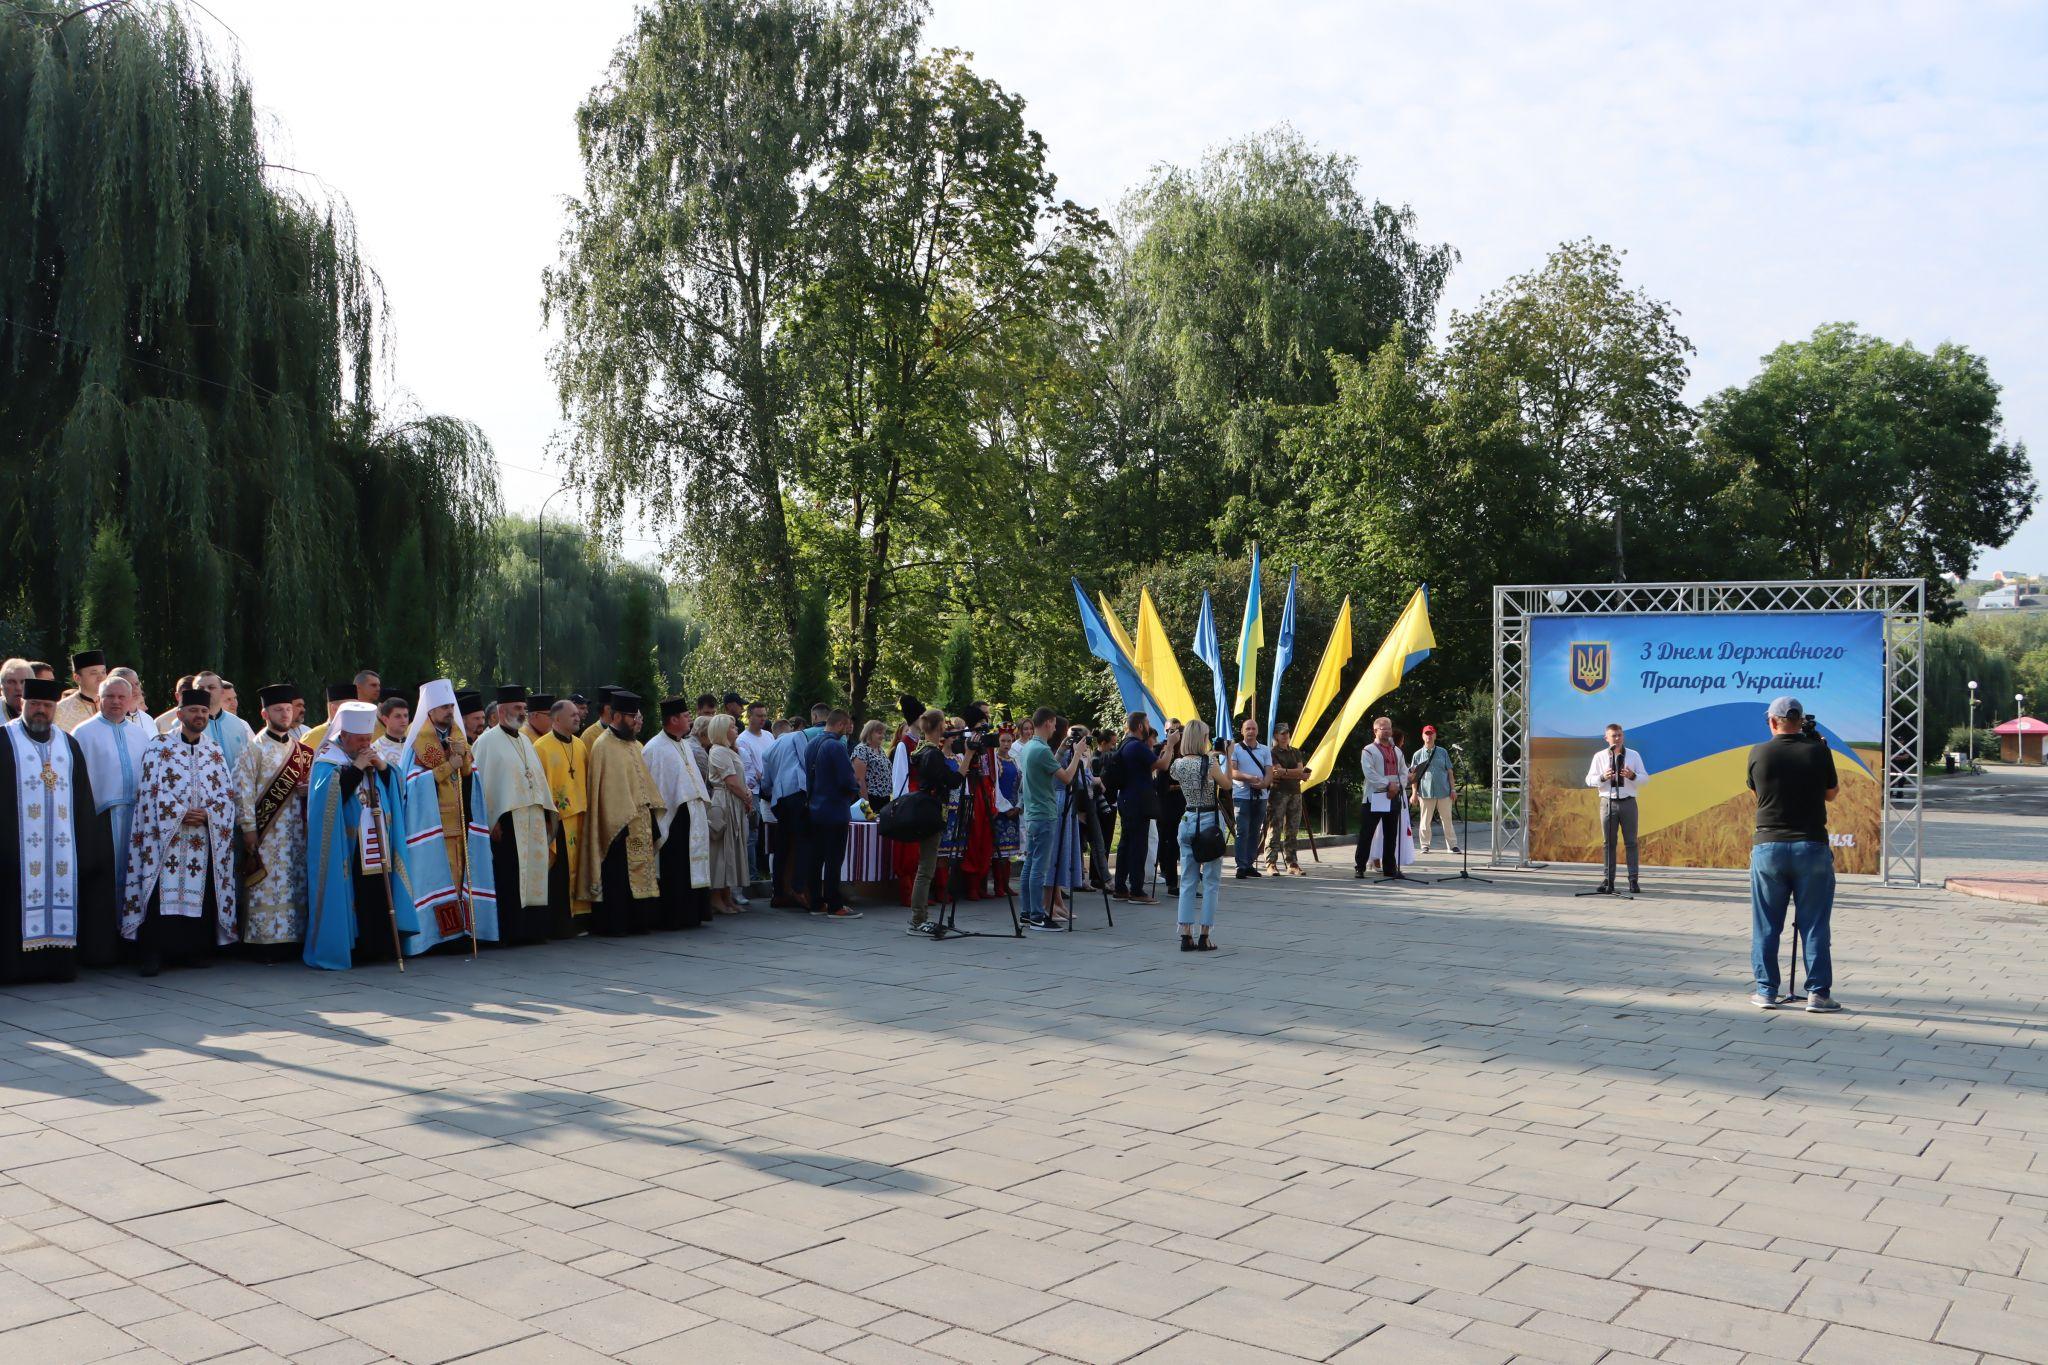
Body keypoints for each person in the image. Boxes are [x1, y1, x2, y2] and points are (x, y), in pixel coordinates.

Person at [1, 677, 119, 982]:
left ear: (55, 708)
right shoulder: (4, 740)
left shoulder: (68, 744)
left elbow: (83, 799)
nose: (41, 711)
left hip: (61, 851)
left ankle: (58, 966)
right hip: (14, 849)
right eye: (35, 704)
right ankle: (13, 970)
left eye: (47, 706)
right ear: (23, 705)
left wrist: (88, 848)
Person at [124, 686, 239, 976]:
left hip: (202, 836)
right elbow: (149, 791)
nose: (199, 716)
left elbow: (225, 793)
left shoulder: (213, 750)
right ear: (180, 714)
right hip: (167, 838)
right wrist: (178, 813)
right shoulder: (159, 745)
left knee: (200, 893)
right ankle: (153, 954)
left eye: (203, 711)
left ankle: (193, 951)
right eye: (193, 711)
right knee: (160, 893)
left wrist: (209, 814)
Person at [1748, 697, 1841, 1011]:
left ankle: (1765, 991)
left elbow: (1756, 792)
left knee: (1766, 924)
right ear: (1801, 720)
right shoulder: (1818, 751)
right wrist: (1818, 748)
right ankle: (1818, 994)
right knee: (1814, 924)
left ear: (1772, 722)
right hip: (1811, 845)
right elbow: (1831, 794)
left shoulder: (1758, 752)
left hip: (1768, 846)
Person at [303, 701, 412, 969]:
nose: (365, 744)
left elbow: (395, 784)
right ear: (345, 736)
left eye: (368, 738)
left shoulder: (369, 753)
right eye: (360, 740)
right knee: (357, 895)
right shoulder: (328, 759)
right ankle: (356, 946)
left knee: (379, 891)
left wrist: (383, 767)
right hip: (348, 844)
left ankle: (382, 945)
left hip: (377, 839)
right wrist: (356, 768)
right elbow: (326, 799)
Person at [397, 679, 492, 953]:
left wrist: (463, 764)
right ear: (429, 710)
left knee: (462, 876)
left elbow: (468, 778)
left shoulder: (459, 736)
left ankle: (463, 932)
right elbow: (412, 786)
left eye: (451, 705)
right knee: (438, 878)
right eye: (443, 706)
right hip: (432, 826)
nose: (449, 710)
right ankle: (437, 936)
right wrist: (445, 767)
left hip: (459, 823)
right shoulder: (418, 742)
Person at [473, 686, 567, 944]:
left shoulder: (525, 740)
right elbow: (483, 785)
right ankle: (512, 931)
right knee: (510, 876)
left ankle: (533, 929)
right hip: (507, 822)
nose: (523, 713)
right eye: (518, 708)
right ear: (502, 711)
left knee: (535, 874)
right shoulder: (486, 742)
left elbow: (536, 778)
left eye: (524, 709)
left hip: (533, 817)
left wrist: (548, 813)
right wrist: (489, 821)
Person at [234, 683, 313, 957]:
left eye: (289, 710)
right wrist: (248, 829)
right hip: (265, 833)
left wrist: (307, 792)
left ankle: (293, 940)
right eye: (279, 710)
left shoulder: (302, 751)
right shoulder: (253, 749)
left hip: (296, 832)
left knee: (294, 882)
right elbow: (241, 790)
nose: (285, 714)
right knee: (265, 884)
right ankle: (263, 943)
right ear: (265, 713)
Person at [72, 675, 150, 947]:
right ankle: (102, 945)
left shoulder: (140, 734)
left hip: (136, 817)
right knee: (102, 881)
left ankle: (131, 939)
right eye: (110, 696)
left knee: (134, 876)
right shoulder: (83, 732)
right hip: (100, 819)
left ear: (130, 701)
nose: (116, 702)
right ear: (98, 699)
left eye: (121, 697)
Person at [580, 691, 664, 935]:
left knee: (640, 871)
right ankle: (616, 923)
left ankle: (639, 921)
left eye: (636, 715)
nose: (635, 720)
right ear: (615, 715)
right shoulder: (602, 746)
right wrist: (617, 821)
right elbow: (603, 790)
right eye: (630, 716)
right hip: (617, 824)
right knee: (617, 876)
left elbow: (643, 782)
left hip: (641, 821)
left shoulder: (634, 745)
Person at [1014, 709, 1087, 931]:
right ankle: (1037, 915)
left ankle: (1027, 912)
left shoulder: (1029, 748)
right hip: (1044, 813)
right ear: (1047, 723)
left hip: (1032, 814)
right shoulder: (1041, 749)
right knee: (1039, 867)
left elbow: (1046, 767)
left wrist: (1063, 749)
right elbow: (1065, 778)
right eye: (1054, 725)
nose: (1055, 729)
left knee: (1029, 864)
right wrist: (1077, 754)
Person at [643, 697, 711, 930]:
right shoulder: (654, 748)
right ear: (673, 719)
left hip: (691, 814)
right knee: (675, 868)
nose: (689, 719)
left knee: (690, 866)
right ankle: (673, 915)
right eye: (685, 716)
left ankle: (693, 913)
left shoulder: (683, 743)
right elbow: (656, 786)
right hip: (672, 818)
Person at [528, 697, 591, 927]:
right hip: (557, 820)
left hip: (581, 816)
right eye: (572, 714)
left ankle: (581, 918)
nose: (578, 717)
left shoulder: (580, 745)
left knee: (580, 869)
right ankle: (560, 923)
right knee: (560, 872)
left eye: (577, 713)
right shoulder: (541, 747)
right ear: (557, 718)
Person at [1170, 720, 1228, 951]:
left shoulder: (1178, 765)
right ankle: (1205, 934)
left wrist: (1168, 746)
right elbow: (1227, 784)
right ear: (1201, 738)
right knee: (1211, 880)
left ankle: (1185, 934)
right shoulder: (1210, 762)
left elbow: (1171, 772)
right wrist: (1228, 757)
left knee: (1188, 879)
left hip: (1188, 818)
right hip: (1208, 821)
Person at [805, 709, 861, 920]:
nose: (847, 731)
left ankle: (816, 902)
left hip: (815, 807)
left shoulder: (812, 744)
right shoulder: (836, 746)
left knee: (816, 857)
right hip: (835, 809)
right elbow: (847, 779)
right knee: (834, 858)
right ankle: (835, 905)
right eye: (846, 727)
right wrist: (853, 791)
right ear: (840, 725)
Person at [1585, 722, 1649, 894]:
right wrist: (1602, 778)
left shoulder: (1634, 755)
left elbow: (1645, 778)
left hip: (1628, 802)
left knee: (1631, 842)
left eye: (1620, 735)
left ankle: (1633, 881)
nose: (1618, 738)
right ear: (1606, 738)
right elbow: (1588, 780)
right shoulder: (1599, 757)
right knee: (1608, 843)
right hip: (1608, 802)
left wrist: (1633, 775)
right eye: (1614, 736)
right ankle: (1608, 881)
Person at [762, 712, 815, 907]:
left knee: (781, 845)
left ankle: (778, 892)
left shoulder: (767, 751)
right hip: (797, 792)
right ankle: (799, 887)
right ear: (790, 729)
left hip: (779, 800)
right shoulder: (798, 736)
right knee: (804, 840)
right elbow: (806, 762)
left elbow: (766, 784)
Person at [704, 713, 751, 914]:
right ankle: (716, 897)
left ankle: (726, 896)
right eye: (732, 727)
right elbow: (731, 781)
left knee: (731, 850)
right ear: (722, 731)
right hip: (725, 803)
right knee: (722, 851)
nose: (736, 729)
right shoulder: (718, 751)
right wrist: (747, 797)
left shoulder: (729, 751)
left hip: (735, 802)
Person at [1355, 715, 1410, 881]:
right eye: (1383, 728)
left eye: (1389, 728)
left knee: (1391, 833)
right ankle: (1360, 866)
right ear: (1375, 730)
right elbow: (1369, 773)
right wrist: (1387, 785)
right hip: (1375, 797)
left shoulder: (1397, 751)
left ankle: (1390, 868)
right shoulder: (1368, 750)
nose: (1387, 731)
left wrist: (1397, 786)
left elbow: (1403, 772)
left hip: (1393, 796)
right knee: (1367, 833)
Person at [1111, 712, 1159, 903]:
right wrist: (1171, 745)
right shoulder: (1138, 746)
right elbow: (1161, 764)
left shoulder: (1125, 744)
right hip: (1138, 801)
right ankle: (1137, 890)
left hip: (1125, 798)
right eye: (1147, 723)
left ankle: (1120, 887)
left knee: (1126, 843)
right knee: (1139, 844)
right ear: (1140, 726)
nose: (1148, 726)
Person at [1261, 722, 1311, 876]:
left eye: (1287, 733)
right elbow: (1276, 771)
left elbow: (1300, 771)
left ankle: (1292, 863)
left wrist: (1286, 772)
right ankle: (1271, 862)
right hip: (1278, 794)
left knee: (1292, 830)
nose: (1285, 736)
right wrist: (1295, 773)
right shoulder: (1272, 753)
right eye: (1282, 733)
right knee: (1274, 828)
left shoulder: (1295, 752)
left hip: (1295, 793)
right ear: (1276, 735)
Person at [1229, 718, 1272, 879]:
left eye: (1253, 729)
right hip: (1242, 795)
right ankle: (1241, 866)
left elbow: (1269, 771)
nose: (1251, 732)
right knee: (1242, 831)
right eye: (1247, 729)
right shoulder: (1236, 749)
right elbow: (1232, 772)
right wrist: (1249, 778)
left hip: (1261, 796)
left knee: (1255, 831)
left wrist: (1264, 784)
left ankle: (1249, 864)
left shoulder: (1265, 749)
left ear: (1257, 731)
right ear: (1242, 731)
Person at [1408, 724, 1459, 855]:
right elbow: (1414, 777)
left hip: (1444, 791)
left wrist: (1453, 790)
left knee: (1447, 819)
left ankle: (1452, 845)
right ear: (1422, 736)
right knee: (1425, 820)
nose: (1429, 736)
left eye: (1431, 733)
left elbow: (1450, 772)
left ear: (1435, 735)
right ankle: (1425, 845)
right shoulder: (1417, 754)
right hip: (1425, 792)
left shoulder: (1443, 752)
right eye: (1426, 733)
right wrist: (1414, 793)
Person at [192, 670, 253, 775]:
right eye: (200, 688)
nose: (206, 691)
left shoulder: (238, 724)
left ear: (221, 691)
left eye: (211, 687)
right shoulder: (184, 725)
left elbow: (249, 763)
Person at [1153, 723, 1185, 896]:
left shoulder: (1187, 752)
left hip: (1182, 802)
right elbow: (1161, 777)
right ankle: (1171, 880)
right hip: (1166, 803)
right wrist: (1170, 747)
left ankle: (1183, 880)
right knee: (1170, 841)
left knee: (1181, 842)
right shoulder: (1162, 748)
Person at [53, 649, 107, 732]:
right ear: (77, 678)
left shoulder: (111, 705)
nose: (101, 677)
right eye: (94, 673)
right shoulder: (60, 710)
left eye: (103, 672)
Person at [301, 682, 356, 751]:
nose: (357, 712)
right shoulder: (312, 738)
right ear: (334, 709)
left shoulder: (362, 735)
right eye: (352, 708)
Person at [851, 720, 891, 811]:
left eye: (883, 733)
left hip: (884, 799)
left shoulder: (880, 750)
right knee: (870, 824)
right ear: (869, 733)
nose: (882, 736)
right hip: (870, 799)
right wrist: (866, 810)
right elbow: (859, 780)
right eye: (879, 733)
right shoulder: (861, 749)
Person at [373, 696, 411, 768]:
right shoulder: (376, 749)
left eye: (406, 716)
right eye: (398, 716)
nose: (403, 720)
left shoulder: (415, 745)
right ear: (385, 720)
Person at [0, 657, 31, 722]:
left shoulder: (43, 711)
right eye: (11, 682)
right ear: (1, 687)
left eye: (23, 682)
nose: (18, 688)